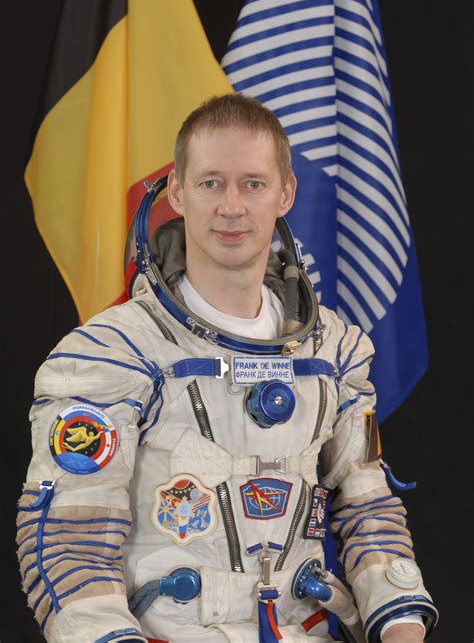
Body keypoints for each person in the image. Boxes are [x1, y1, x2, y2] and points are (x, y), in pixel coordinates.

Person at [17, 94, 437, 643]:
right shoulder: (111, 354)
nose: (232, 206)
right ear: (177, 191)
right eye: (211, 182)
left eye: (253, 184)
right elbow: (71, 544)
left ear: (286, 194)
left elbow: (370, 509)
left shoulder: (333, 351)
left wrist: (401, 625)